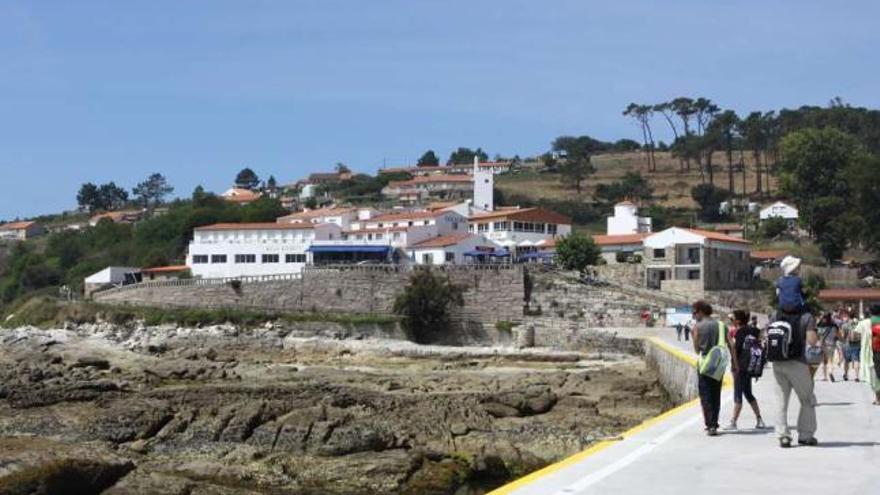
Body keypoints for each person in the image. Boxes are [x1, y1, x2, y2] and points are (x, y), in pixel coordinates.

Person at [770, 308, 819, 448]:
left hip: (778, 362)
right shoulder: (806, 317)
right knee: (807, 399)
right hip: (798, 363)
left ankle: (783, 436)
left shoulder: (775, 314)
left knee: (780, 401)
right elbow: (812, 341)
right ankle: (805, 435)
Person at [691, 300, 730, 437]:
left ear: (701, 311)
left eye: (694, 312)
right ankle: (714, 422)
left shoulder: (697, 327)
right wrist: (735, 364)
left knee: (705, 395)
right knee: (715, 394)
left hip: (704, 365)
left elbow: (696, 350)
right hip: (718, 365)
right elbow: (730, 345)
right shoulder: (721, 325)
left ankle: (710, 425)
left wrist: (694, 336)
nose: (693, 315)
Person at [724, 309, 766, 430]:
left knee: (738, 394)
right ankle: (759, 419)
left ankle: (733, 422)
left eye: (733, 319)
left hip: (740, 367)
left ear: (737, 320)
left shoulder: (739, 332)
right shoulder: (755, 330)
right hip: (751, 366)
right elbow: (759, 347)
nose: (731, 320)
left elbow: (735, 351)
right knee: (748, 393)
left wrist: (735, 366)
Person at [857, 304, 880, 405]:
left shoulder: (864, 323)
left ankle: (878, 398)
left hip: (870, 352)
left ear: (870, 312)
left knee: (875, 375)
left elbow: (856, 334)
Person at [816, 313, 840, 382]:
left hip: (823, 345)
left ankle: (824, 376)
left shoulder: (820, 326)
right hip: (831, 344)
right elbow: (837, 335)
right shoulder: (834, 326)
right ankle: (830, 372)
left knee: (824, 361)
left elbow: (818, 336)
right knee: (830, 360)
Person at [841, 311, 861, 382]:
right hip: (857, 344)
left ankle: (846, 375)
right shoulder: (858, 324)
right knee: (856, 360)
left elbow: (843, 336)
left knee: (846, 361)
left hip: (847, 344)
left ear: (848, 316)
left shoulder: (845, 325)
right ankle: (856, 376)